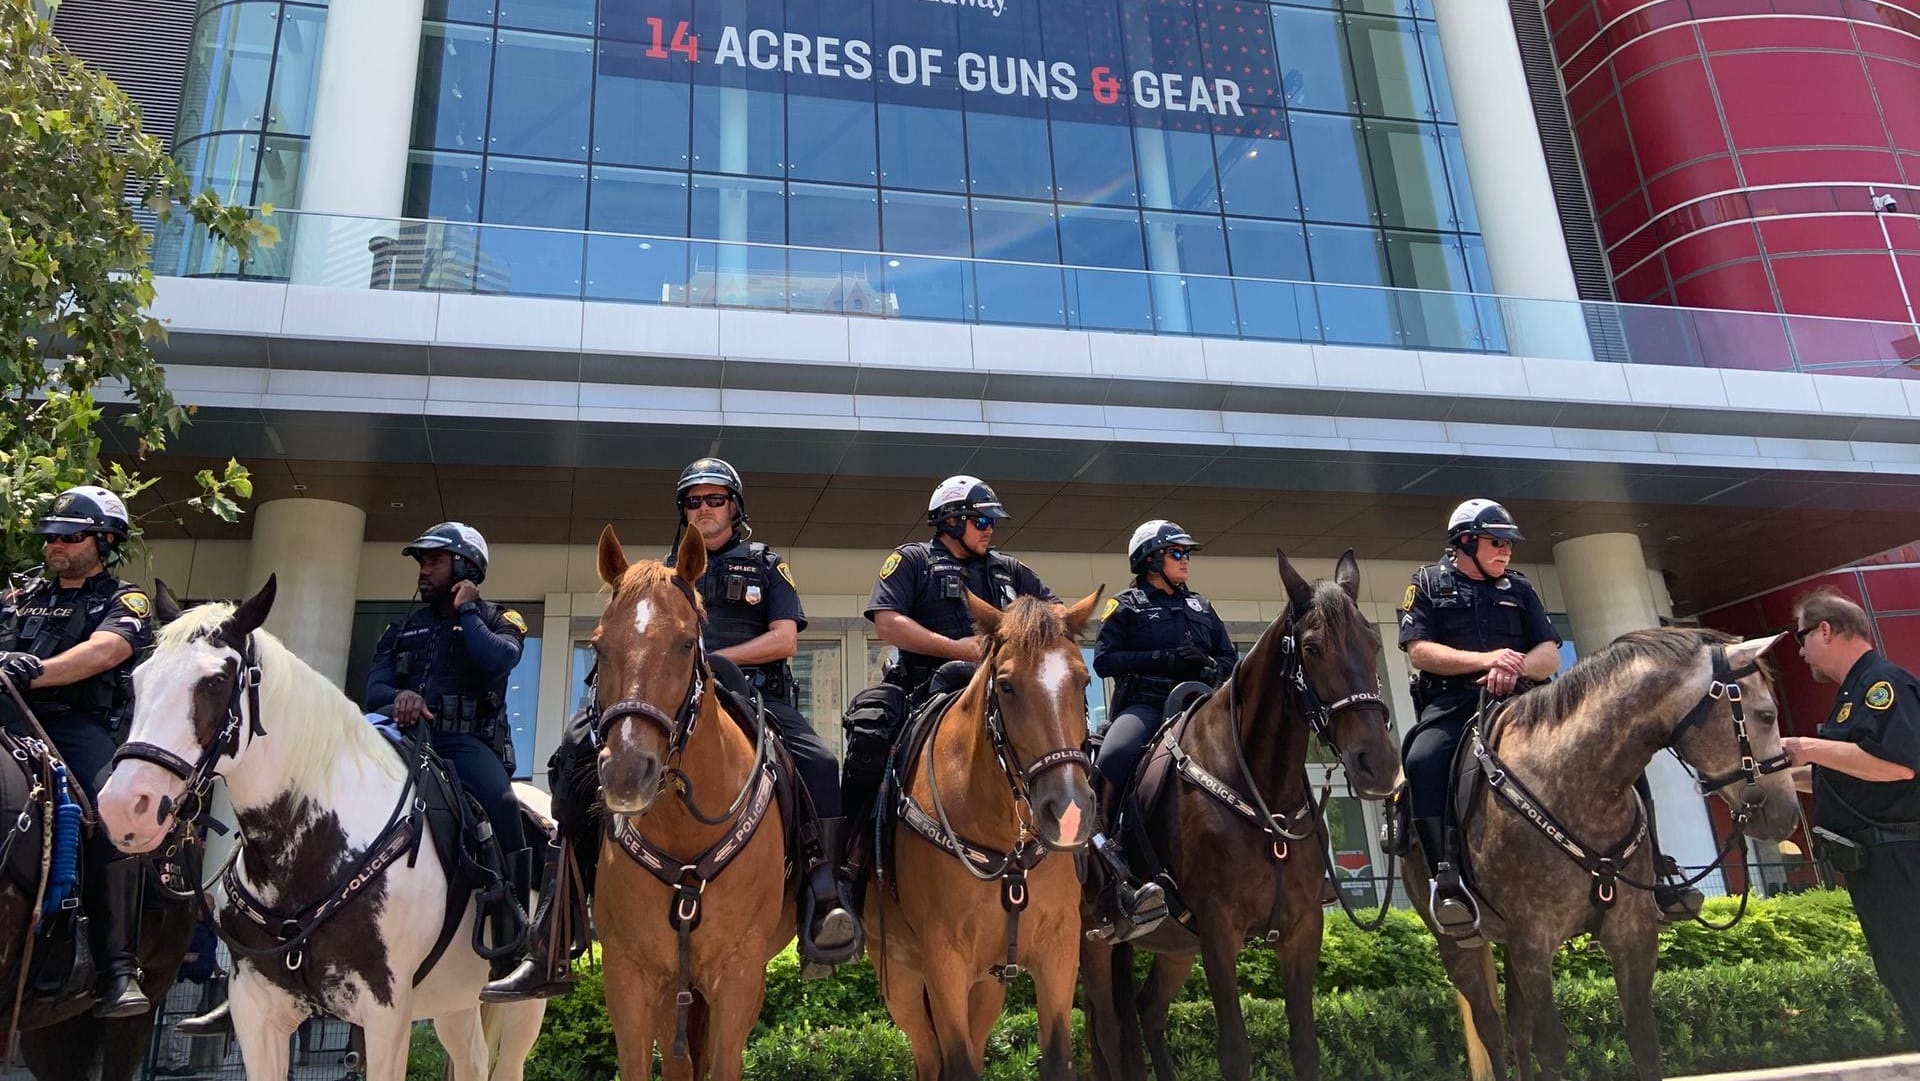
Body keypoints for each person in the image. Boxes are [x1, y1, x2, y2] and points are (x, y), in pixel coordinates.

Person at [667, 458, 863, 976]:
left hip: (754, 698)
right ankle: (569, 903)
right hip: (680, 704)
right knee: (582, 751)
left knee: (820, 764)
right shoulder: (665, 574)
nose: (704, 509)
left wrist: (717, 661)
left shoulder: (763, 562)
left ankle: (824, 894)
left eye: (714, 499)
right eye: (694, 501)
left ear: (734, 507)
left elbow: (785, 638)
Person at [348, 524, 533, 994]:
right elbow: (375, 690)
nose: (424, 569)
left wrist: (467, 609)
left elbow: (496, 661)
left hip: (464, 744)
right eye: (421, 561)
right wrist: (399, 699)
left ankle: (515, 937)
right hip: (401, 740)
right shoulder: (401, 627)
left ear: (466, 566)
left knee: (504, 804)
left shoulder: (498, 618)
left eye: (435, 560)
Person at [841, 476, 1061, 858]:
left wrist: (1019, 629)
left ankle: (1098, 862)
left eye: (993, 522)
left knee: (1067, 745)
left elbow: (1055, 611)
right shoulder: (913, 561)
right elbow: (887, 622)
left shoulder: (1009, 569)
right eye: (982, 521)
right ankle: (852, 856)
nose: (990, 530)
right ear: (951, 521)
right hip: (923, 688)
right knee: (868, 736)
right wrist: (955, 649)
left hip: (1000, 691)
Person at [0, 485, 154, 1016]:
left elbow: (106, 649)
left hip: (73, 726)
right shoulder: (18, 594)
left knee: (112, 816)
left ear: (106, 540)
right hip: (7, 715)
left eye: (71, 536)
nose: (55, 546)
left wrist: (36, 670)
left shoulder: (125, 600)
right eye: (52, 537)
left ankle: (117, 968)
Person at [1397, 499, 1565, 942]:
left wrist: (1514, 669)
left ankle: (1654, 867)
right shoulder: (1427, 582)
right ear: (1465, 542)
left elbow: (1548, 653)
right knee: (1421, 761)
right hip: (1455, 703)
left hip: (1525, 701)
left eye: (1508, 543)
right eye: (1496, 542)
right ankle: (1443, 877)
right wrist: (1486, 659)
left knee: (1604, 744)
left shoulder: (1520, 587)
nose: (1506, 551)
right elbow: (1419, 650)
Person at [1084, 520, 1235, 942]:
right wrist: (1163, 658)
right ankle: (1105, 853)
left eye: (1186, 554)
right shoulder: (1126, 605)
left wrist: (1207, 666)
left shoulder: (1203, 608)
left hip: (1202, 704)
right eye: (1177, 553)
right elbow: (1105, 662)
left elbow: (1230, 659)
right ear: (1151, 559)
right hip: (1147, 706)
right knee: (1113, 756)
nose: (1186, 560)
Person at [1786, 588, 1920, 1045]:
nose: (1801, 652)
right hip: (1875, 865)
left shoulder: (1883, 685)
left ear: (1826, 629)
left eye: (1801, 637)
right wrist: (1780, 781)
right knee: (1901, 972)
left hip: (1902, 856)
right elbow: (1851, 777)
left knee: (1912, 966)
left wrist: (1807, 747)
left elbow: (1899, 765)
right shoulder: (1852, 694)